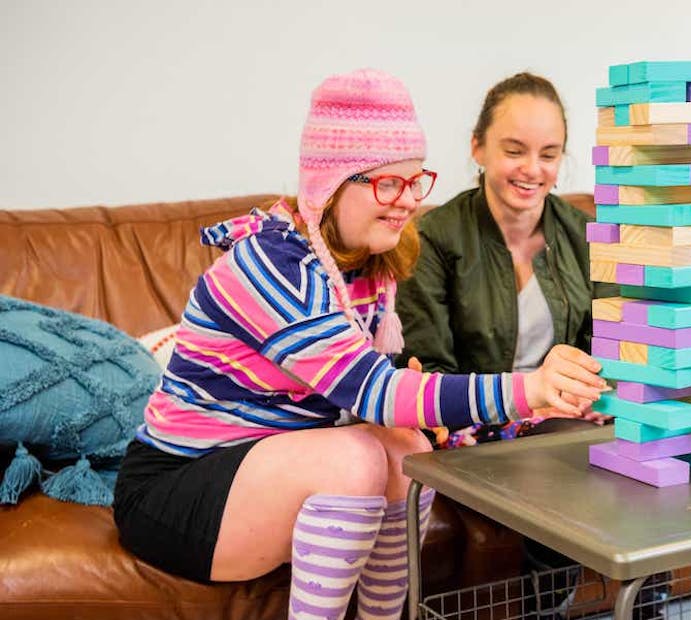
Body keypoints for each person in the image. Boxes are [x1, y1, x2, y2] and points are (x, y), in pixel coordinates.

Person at [111, 68, 606, 620]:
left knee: (406, 450)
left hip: (265, 466)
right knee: (355, 459)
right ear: (331, 183)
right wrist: (530, 388)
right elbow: (374, 392)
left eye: (415, 181)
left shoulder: (369, 265)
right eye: (386, 183)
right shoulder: (273, 264)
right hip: (174, 484)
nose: (406, 202)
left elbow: (388, 390)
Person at [397, 72, 617, 449]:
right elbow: (428, 375)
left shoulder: (589, 235)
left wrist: (587, 392)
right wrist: (532, 401)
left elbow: (615, 348)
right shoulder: (430, 238)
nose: (532, 169)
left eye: (548, 154)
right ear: (478, 147)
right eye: (514, 151)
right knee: (576, 448)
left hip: (572, 418)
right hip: (473, 424)